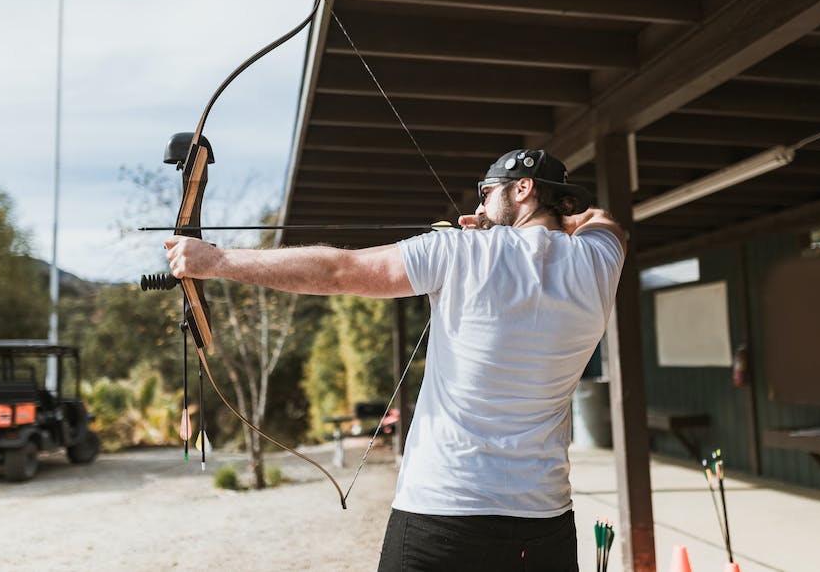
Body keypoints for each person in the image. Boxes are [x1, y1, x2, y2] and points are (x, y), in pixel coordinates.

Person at [166, 148, 626, 571]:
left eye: (486, 194)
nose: (479, 207)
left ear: (522, 188)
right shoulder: (601, 261)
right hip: (544, 524)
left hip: (445, 513)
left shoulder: (458, 250)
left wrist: (216, 260)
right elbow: (604, 219)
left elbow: (338, 271)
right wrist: (543, 224)